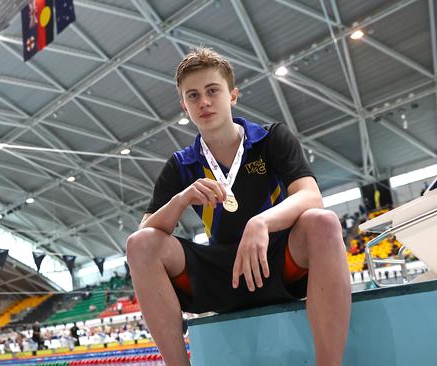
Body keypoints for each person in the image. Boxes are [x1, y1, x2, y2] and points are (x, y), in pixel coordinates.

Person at [126, 48, 351, 366]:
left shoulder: (271, 139)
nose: (203, 102)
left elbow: (310, 196)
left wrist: (261, 223)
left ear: (232, 95)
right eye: (193, 96)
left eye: (212, 91)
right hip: (219, 277)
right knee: (140, 244)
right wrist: (181, 199)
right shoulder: (181, 165)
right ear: (184, 106)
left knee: (322, 222)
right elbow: (143, 236)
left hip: (277, 263)